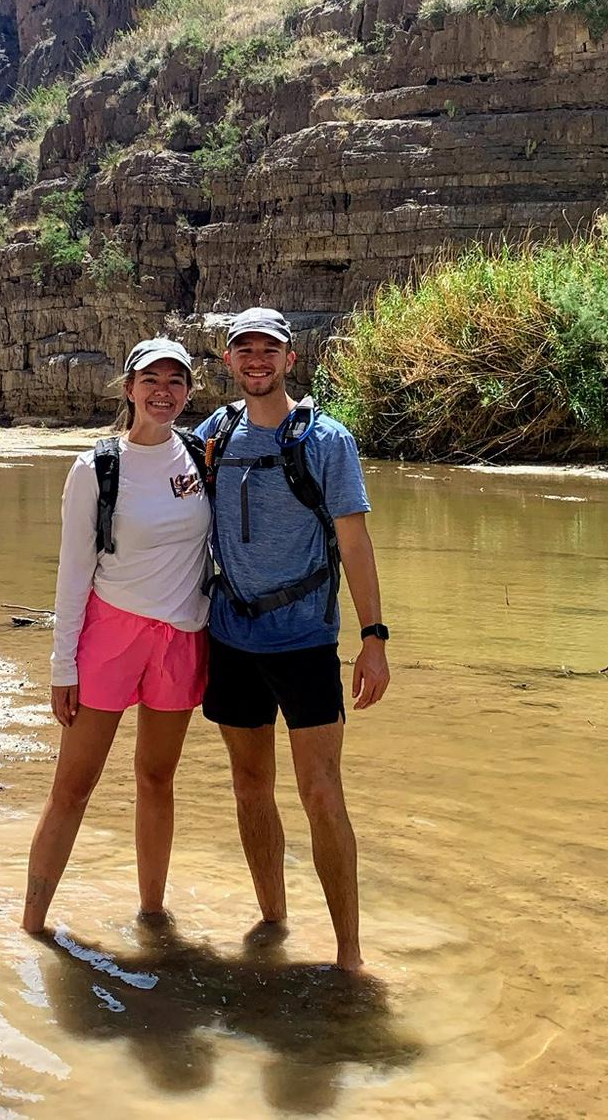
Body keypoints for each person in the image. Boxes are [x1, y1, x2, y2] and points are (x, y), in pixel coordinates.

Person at [196, 307, 390, 972]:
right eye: (244, 350)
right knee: (249, 785)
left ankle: (349, 955)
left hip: (305, 641)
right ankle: (272, 924)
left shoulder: (327, 440)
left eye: (268, 350)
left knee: (321, 791)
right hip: (230, 637)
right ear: (229, 360)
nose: (257, 361)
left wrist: (373, 638)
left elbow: (355, 542)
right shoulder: (214, 436)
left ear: (290, 358)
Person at [21, 337, 211, 935]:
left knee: (157, 780)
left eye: (176, 381)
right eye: (150, 380)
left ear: (189, 391)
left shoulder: (201, 457)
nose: (163, 392)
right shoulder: (96, 468)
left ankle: (153, 916)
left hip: (182, 638)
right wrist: (62, 665)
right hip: (110, 636)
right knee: (73, 787)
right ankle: (31, 928)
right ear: (128, 389)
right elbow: (74, 570)